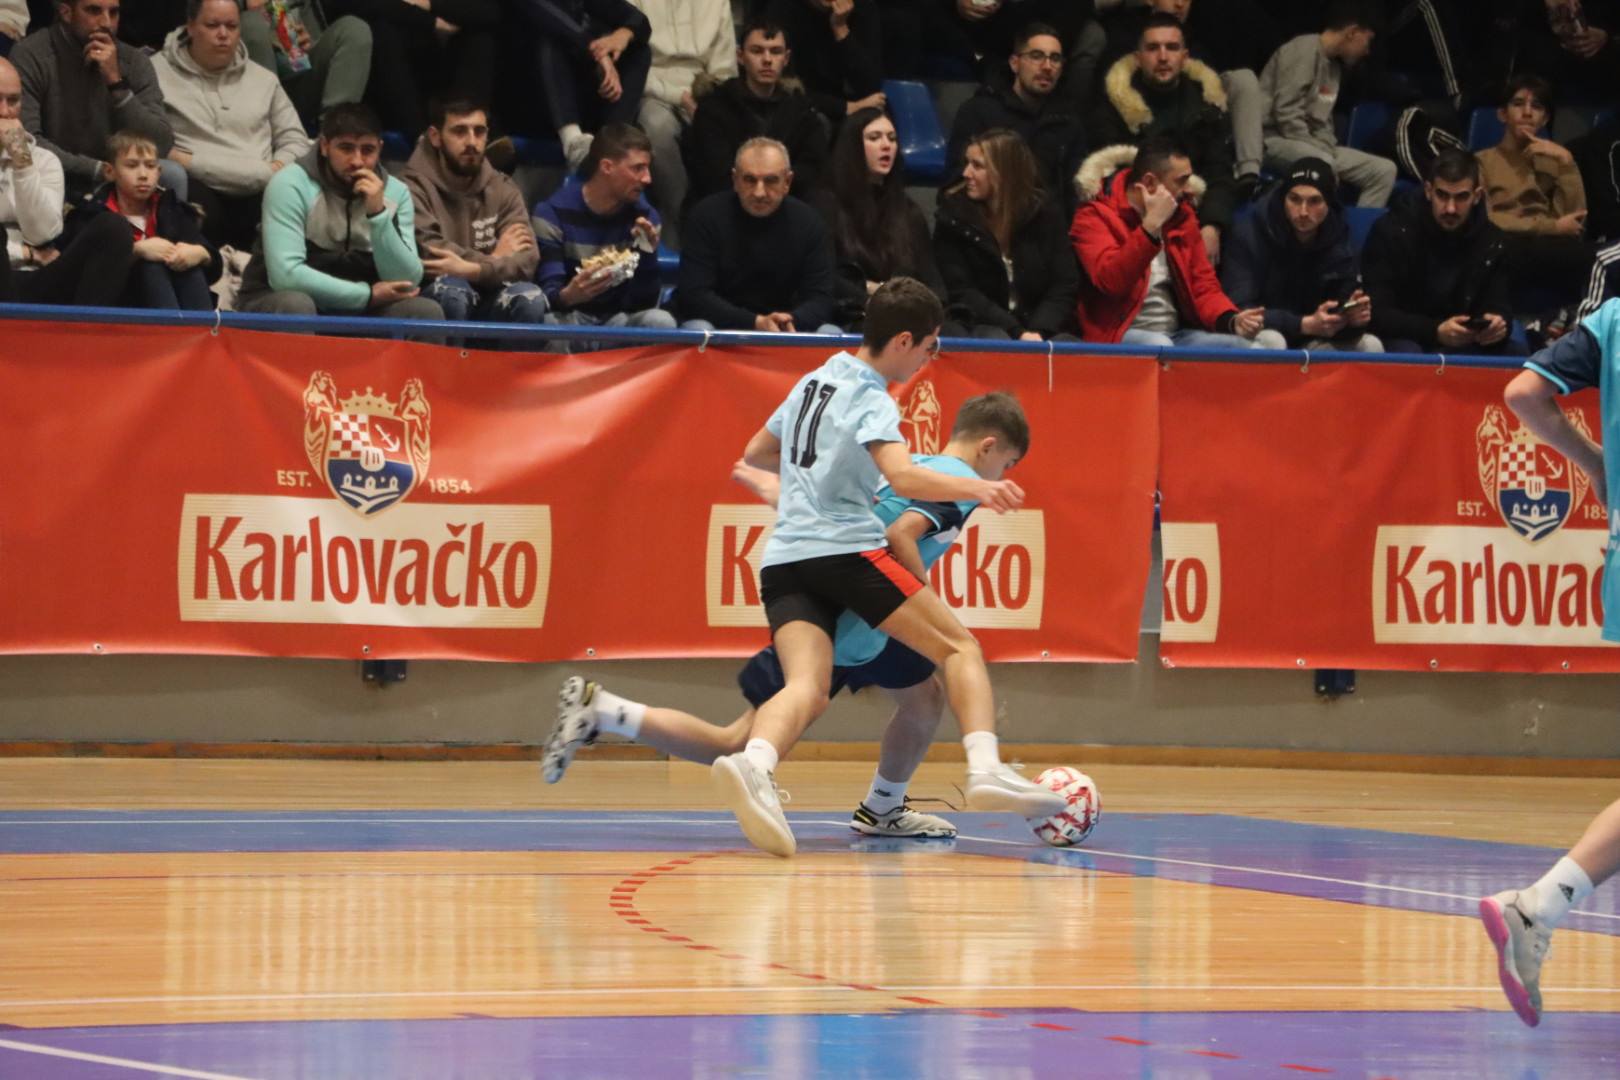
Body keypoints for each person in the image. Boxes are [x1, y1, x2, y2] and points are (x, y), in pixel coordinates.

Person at [543, 391, 1034, 841]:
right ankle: (605, 710)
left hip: (868, 625)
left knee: (924, 697)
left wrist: (772, 489)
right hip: (854, 618)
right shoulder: (962, 482)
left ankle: (883, 808)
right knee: (735, 743)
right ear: (988, 447)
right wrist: (923, 602)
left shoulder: (911, 466)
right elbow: (900, 535)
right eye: (1007, 464)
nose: (1001, 476)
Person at [712, 276, 1064, 856]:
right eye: (929, 345)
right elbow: (902, 478)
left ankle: (755, 764)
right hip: (844, 552)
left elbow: (757, 451)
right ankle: (985, 768)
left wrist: (815, 478)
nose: (930, 357)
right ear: (903, 341)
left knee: (807, 686)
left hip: (784, 559)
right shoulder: (872, 396)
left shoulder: (813, 381)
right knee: (959, 647)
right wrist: (978, 489)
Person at [1485, 298, 1620, 1026]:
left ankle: (1542, 904)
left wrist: (1597, 464)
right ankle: (1540, 905)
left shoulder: (1614, 319)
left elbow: (1523, 394)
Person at [236, 102, 441, 320]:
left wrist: (378, 215)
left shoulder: (396, 192)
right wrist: (366, 295)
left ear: (380, 148)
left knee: (424, 311)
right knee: (296, 304)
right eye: (346, 148)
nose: (357, 161)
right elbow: (285, 276)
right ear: (324, 146)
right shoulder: (290, 184)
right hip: (278, 297)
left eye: (368, 150)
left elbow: (407, 280)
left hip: (367, 305)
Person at [1069, 135, 1263, 348]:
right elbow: (1111, 282)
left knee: (1246, 348)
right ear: (1149, 182)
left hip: (1176, 335)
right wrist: (1150, 228)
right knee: (1160, 346)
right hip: (1116, 336)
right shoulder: (1094, 216)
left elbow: (1203, 285)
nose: (1189, 189)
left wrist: (1231, 320)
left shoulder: (1182, 215)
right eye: (1181, 181)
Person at [152, 0, 312, 251]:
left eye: (231, 26)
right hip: (200, 188)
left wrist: (277, 168)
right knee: (186, 194)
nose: (223, 34)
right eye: (212, 25)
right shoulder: (156, 72)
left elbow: (295, 140)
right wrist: (185, 163)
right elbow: (149, 140)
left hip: (261, 188)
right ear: (190, 27)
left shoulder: (264, 79)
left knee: (291, 194)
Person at [1089, 12, 1239, 259]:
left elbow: (1220, 172)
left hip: (1195, 213)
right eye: (1152, 48)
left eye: (1172, 47)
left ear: (1185, 57)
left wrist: (1212, 225)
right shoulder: (1113, 106)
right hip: (1134, 215)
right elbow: (1113, 175)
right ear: (1138, 58)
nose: (1162, 57)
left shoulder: (1207, 106)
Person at [0, 55, 136, 307]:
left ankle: (86, 330)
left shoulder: (44, 161)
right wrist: (26, 253)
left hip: (38, 278)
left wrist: (21, 159)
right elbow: (34, 248)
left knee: (114, 228)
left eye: (13, 101)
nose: (5, 112)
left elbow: (41, 234)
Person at [11, 0, 181, 201]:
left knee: (173, 174)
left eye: (114, 12)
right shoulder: (31, 55)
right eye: (94, 11)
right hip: (53, 175)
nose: (106, 23)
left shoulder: (133, 61)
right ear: (66, 12)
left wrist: (117, 85)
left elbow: (161, 144)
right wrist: (96, 169)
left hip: (119, 177)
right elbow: (26, 142)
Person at [400, 98, 545, 327]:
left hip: (492, 294)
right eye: (459, 131)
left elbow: (527, 260)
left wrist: (474, 270)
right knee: (452, 290)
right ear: (435, 137)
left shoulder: (503, 187)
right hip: (435, 295)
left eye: (479, 131)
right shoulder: (410, 189)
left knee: (529, 298)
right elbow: (431, 253)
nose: (471, 142)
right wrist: (494, 259)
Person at [1362, 147, 1522, 355]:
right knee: (1409, 356)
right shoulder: (1391, 231)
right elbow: (1376, 313)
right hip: (1407, 336)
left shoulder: (1493, 241)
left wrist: (1498, 323)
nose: (1450, 208)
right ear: (1428, 191)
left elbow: (1499, 302)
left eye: (1461, 197)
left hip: (1465, 340)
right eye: (1442, 195)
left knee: (1516, 354)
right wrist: (1435, 331)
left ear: (1477, 196)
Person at [676, 137, 838, 335]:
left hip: (787, 330)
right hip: (719, 330)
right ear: (735, 180)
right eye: (749, 180)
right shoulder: (705, 217)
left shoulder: (810, 222)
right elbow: (694, 295)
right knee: (699, 329)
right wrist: (755, 322)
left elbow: (821, 299)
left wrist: (786, 322)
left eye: (771, 181)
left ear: (787, 182)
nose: (759, 192)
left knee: (830, 331)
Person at [533, 122, 675, 347]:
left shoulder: (646, 218)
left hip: (617, 322)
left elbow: (643, 303)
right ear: (607, 167)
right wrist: (569, 295)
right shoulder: (552, 214)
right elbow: (547, 295)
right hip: (569, 319)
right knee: (548, 326)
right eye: (638, 168)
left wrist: (647, 254)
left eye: (648, 168)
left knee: (660, 321)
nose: (647, 179)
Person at [809, 107, 948, 332]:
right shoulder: (827, 204)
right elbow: (824, 275)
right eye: (874, 138)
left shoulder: (908, 211)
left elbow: (933, 281)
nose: (886, 145)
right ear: (853, 146)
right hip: (850, 314)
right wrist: (878, 295)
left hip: (906, 315)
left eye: (892, 139)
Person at [1222, 157, 1382, 352]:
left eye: (1314, 201)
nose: (1303, 211)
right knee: (1273, 341)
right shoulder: (1249, 233)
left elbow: (1339, 308)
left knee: (1370, 345)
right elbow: (1241, 309)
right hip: (1264, 332)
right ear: (1283, 198)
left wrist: (1353, 320)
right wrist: (1302, 324)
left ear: (1329, 203)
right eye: (1295, 199)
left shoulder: (1339, 236)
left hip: (1312, 338)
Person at [934, 127, 1079, 341]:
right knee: (994, 338)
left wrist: (1038, 330)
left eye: (977, 166)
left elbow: (1064, 284)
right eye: (967, 163)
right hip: (981, 326)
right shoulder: (953, 218)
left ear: (1004, 172)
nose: (966, 173)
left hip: (1039, 329)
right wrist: (1016, 332)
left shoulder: (1046, 215)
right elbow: (962, 291)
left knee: (1068, 344)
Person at [59, 130, 218, 310]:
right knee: (151, 268)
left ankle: (202, 327)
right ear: (110, 172)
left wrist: (201, 253)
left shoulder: (172, 209)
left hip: (175, 296)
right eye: (132, 165)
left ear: (159, 172)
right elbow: (75, 274)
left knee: (191, 270)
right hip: (116, 306)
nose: (143, 175)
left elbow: (213, 267)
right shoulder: (91, 214)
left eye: (150, 166)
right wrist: (135, 251)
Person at [681, 16, 828, 210]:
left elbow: (811, 170)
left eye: (776, 51)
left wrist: (773, 191)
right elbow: (714, 176)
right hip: (726, 208)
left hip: (787, 206)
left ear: (786, 58)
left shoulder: (801, 109)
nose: (767, 60)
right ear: (740, 56)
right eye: (757, 51)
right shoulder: (714, 107)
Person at [1259, 1, 1396, 208]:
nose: (1367, 51)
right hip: (1274, 140)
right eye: (1367, 41)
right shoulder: (1303, 49)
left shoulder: (1333, 68)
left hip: (1312, 146)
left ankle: (1360, 227)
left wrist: (1327, 145)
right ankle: (1328, 226)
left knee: (1384, 170)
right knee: (1324, 163)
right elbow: (1286, 115)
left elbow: (1322, 119)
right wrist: (1321, 149)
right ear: (1352, 33)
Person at [1477, 73, 1594, 304]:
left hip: (1549, 247)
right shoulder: (1481, 161)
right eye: (1518, 104)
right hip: (1505, 245)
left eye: (1537, 106)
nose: (1527, 112)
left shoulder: (1555, 161)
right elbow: (1486, 219)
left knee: (1601, 258)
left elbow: (1575, 220)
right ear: (1503, 114)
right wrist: (1551, 227)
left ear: (1545, 119)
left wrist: (1567, 162)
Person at [945, 23, 1087, 211]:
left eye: (1055, 59)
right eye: (1036, 56)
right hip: (989, 218)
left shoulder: (1068, 122)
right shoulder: (978, 112)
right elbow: (958, 182)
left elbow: (1074, 194)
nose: (1047, 66)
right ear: (1015, 63)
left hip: (1048, 223)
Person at [630, 0, 735, 247]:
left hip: (704, 92)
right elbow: (631, 64)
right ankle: (681, 219)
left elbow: (724, 69)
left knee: (724, 125)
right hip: (651, 90)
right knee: (658, 126)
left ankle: (724, 227)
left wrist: (707, 102)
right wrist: (678, 96)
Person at [324, 0, 499, 144]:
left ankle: (471, 128)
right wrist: (430, 21)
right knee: (382, 30)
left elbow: (490, 10)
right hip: (388, 77)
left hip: (437, 65)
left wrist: (429, 4)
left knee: (480, 37)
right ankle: (421, 141)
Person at [510, 0, 651, 171]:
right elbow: (556, 20)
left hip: (579, 88)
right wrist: (599, 55)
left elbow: (638, 19)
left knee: (638, 48)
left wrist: (622, 35)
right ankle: (574, 144)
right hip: (527, 94)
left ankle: (613, 143)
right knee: (552, 37)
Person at [237, 0, 372, 130]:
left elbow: (313, 36)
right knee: (252, 22)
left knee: (354, 30)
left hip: (298, 76)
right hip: (247, 89)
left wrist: (310, 43)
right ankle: (265, 132)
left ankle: (335, 131)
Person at [762, 0, 883, 129]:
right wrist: (847, 107)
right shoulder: (783, 9)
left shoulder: (863, 8)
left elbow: (871, 84)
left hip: (857, 105)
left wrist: (840, 28)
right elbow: (783, 85)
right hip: (805, 106)